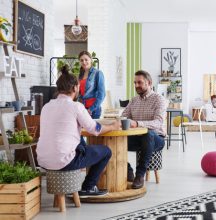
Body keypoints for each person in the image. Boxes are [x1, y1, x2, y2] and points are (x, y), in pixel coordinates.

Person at [36, 65, 120, 197]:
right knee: (106, 151)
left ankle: (83, 185)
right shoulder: (76, 106)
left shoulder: (46, 106)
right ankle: (88, 187)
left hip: (43, 160)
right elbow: (94, 130)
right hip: (64, 161)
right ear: (75, 88)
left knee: (81, 144)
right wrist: (113, 127)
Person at [121, 70, 166, 189]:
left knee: (148, 134)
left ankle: (139, 175)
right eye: (135, 83)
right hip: (137, 138)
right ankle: (127, 169)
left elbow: (158, 123)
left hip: (157, 139)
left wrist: (137, 123)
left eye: (139, 82)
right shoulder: (134, 100)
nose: (136, 85)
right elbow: (124, 116)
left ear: (149, 83)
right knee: (113, 139)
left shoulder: (159, 99)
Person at [78, 51, 105, 119]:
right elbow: (80, 93)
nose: (84, 62)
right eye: (81, 60)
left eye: (86, 59)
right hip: (82, 109)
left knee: (92, 129)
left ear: (91, 60)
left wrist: (91, 109)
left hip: (93, 110)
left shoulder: (98, 73)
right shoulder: (80, 75)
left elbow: (102, 94)